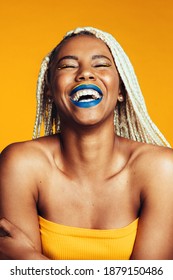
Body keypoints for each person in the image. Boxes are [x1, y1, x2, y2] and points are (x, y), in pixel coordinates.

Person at [0, 26, 173, 260]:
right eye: (68, 66)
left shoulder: (162, 170)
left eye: (100, 64)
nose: (85, 74)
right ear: (49, 90)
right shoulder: (21, 165)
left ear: (121, 88)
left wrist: (31, 260)